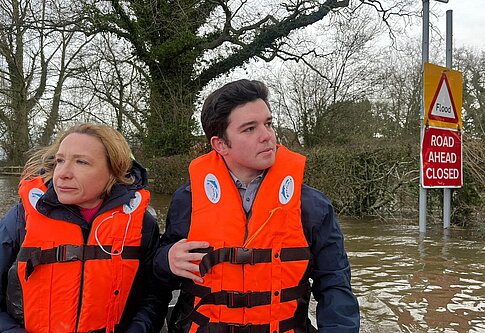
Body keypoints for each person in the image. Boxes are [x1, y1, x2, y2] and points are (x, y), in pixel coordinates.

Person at [154, 79, 360, 333]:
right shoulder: (187, 200)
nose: (268, 136)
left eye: (268, 123)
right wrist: (166, 259)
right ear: (220, 145)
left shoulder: (312, 205)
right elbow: (159, 273)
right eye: (250, 129)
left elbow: (334, 284)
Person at [0, 123, 169, 333]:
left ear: (113, 171)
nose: (62, 173)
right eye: (60, 160)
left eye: (81, 162)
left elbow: (153, 297)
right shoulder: (20, 219)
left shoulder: (142, 225)